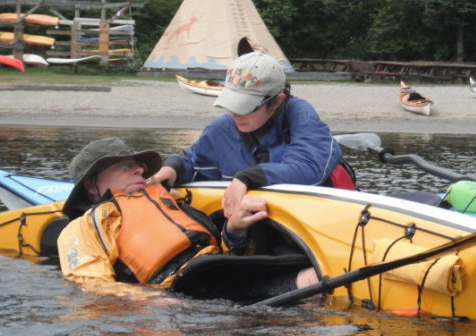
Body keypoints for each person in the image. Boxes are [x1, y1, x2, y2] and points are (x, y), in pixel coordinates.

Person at [57, 137, 317, 296]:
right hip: (179, 288)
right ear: (91, 186)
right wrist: (154, 300)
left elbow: (218, 249)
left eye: (139, 165)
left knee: (296, 263)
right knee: (308, 279)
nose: (139, 169)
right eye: (124, 166)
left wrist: (235, 230)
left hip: (210, 270)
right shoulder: (84, 226)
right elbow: (92, 288)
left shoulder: (165, 200)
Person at [147, 51, 356, 220]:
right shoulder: (221, 127)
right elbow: (194, 161)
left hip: (310, 220)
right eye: (232, 104)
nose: (235, 113)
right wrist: (171, 168)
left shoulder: (300, 115)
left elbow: (308, 168)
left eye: (246, 107)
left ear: (276, 101)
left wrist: (246, 178)